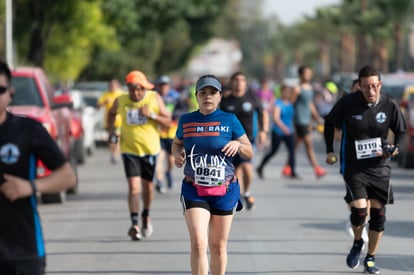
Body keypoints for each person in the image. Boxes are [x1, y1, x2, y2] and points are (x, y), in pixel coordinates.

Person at [324, 65, 406, 274]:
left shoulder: (389, 104)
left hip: (380, 168)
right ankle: (358, 241)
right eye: (366, 87)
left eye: (375, 86)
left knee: (378, 216)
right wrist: (329, 150)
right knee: (360, 211)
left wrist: (395, 148)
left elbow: (401, 131)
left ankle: (370, 258)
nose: (371, 91)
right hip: (355, 167)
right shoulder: (348, 103)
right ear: (359, 86)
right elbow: (329, 123)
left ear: (380, 85)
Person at [171, 75, 253, 275]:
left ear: (220, 96)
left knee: (217, 246)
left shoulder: (230, 120)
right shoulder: (187, 120)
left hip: (225, 190)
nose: (208, 97)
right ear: (196, 96)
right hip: (194, 189)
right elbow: (176, 143)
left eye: (213, 93)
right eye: (203, 93)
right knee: (199, 244)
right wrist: (177, 155)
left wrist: (238, 144)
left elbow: (249, 151)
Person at [0, 60, 76, 275]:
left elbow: (67, 177)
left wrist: (30, 187)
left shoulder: (27, 130)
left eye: (0, 90)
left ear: (10, 93)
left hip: (22, 251)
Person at [107, 70, 171, 241]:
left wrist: (151, 115)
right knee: (134, 187)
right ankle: (134, 224)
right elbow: (111, 114)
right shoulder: (120, 100)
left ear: (144, 88)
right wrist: (112, 131)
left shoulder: (153, 98)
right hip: (129, 150)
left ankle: (146, 216)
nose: (135, 93)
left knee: (148, 187)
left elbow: (168, 120)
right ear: (127, 88)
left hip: (150, 150)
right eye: (132, 89)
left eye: (139, 89)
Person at [220, 72, 268, 210]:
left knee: (247, 168)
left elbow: (263, 113)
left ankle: (246, 192)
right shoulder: (225, 100)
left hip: (247, 140)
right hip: (228, 141)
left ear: (245, 83)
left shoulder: (252, 98)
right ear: (231, 82)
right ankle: (238, 194)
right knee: (234, 170)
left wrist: (263, 131)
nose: (239, 82)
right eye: (236, 80)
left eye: (242, 80)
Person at [283, 65, 326, 178]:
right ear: (301, 75)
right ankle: (317, 169)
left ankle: (287, 167)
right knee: (308, 144)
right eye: (306, 73)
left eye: (309, 73)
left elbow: (310, 104)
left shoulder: (309, 88)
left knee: (295, 145)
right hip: (299, 120)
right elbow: (291, 104)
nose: (308, 75)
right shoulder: (297, 88)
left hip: (307, 120)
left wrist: (317, 117)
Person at [256, 84, 298, 179]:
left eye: (289, 92)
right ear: (282, 92)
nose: (287, 93)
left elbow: (297, 91)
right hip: (278, 132)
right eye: (285, 91)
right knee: (273, 152)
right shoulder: (278, 103)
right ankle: (260, 167)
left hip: (289, 132)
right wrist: (284, 128)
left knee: (292, 151)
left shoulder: (291, 103)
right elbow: (276, 118)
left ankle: (293, 172)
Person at [154, 75, 182, 193]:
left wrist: (174, 117)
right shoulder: (154, 97)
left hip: (172, 133)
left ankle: (168, 173)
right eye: (161, 85)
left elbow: (182, 109)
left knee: (171, 160)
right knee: (159, 158)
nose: (163, 87)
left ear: (169, 86)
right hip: (158, 133)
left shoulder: (175, 96)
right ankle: (159, 181)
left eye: (165, 85)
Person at [97, 79, 126, 164]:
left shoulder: (122, 94)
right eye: (111, 85)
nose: (112, 87)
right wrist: (103, 103)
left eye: (114, 85)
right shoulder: (106, 95)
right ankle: (113, 154)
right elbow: (98, 105)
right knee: (112, 140)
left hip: (120, 122)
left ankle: (115, 156)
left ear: (118, 86)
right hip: (109, 122)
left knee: (117, 138)